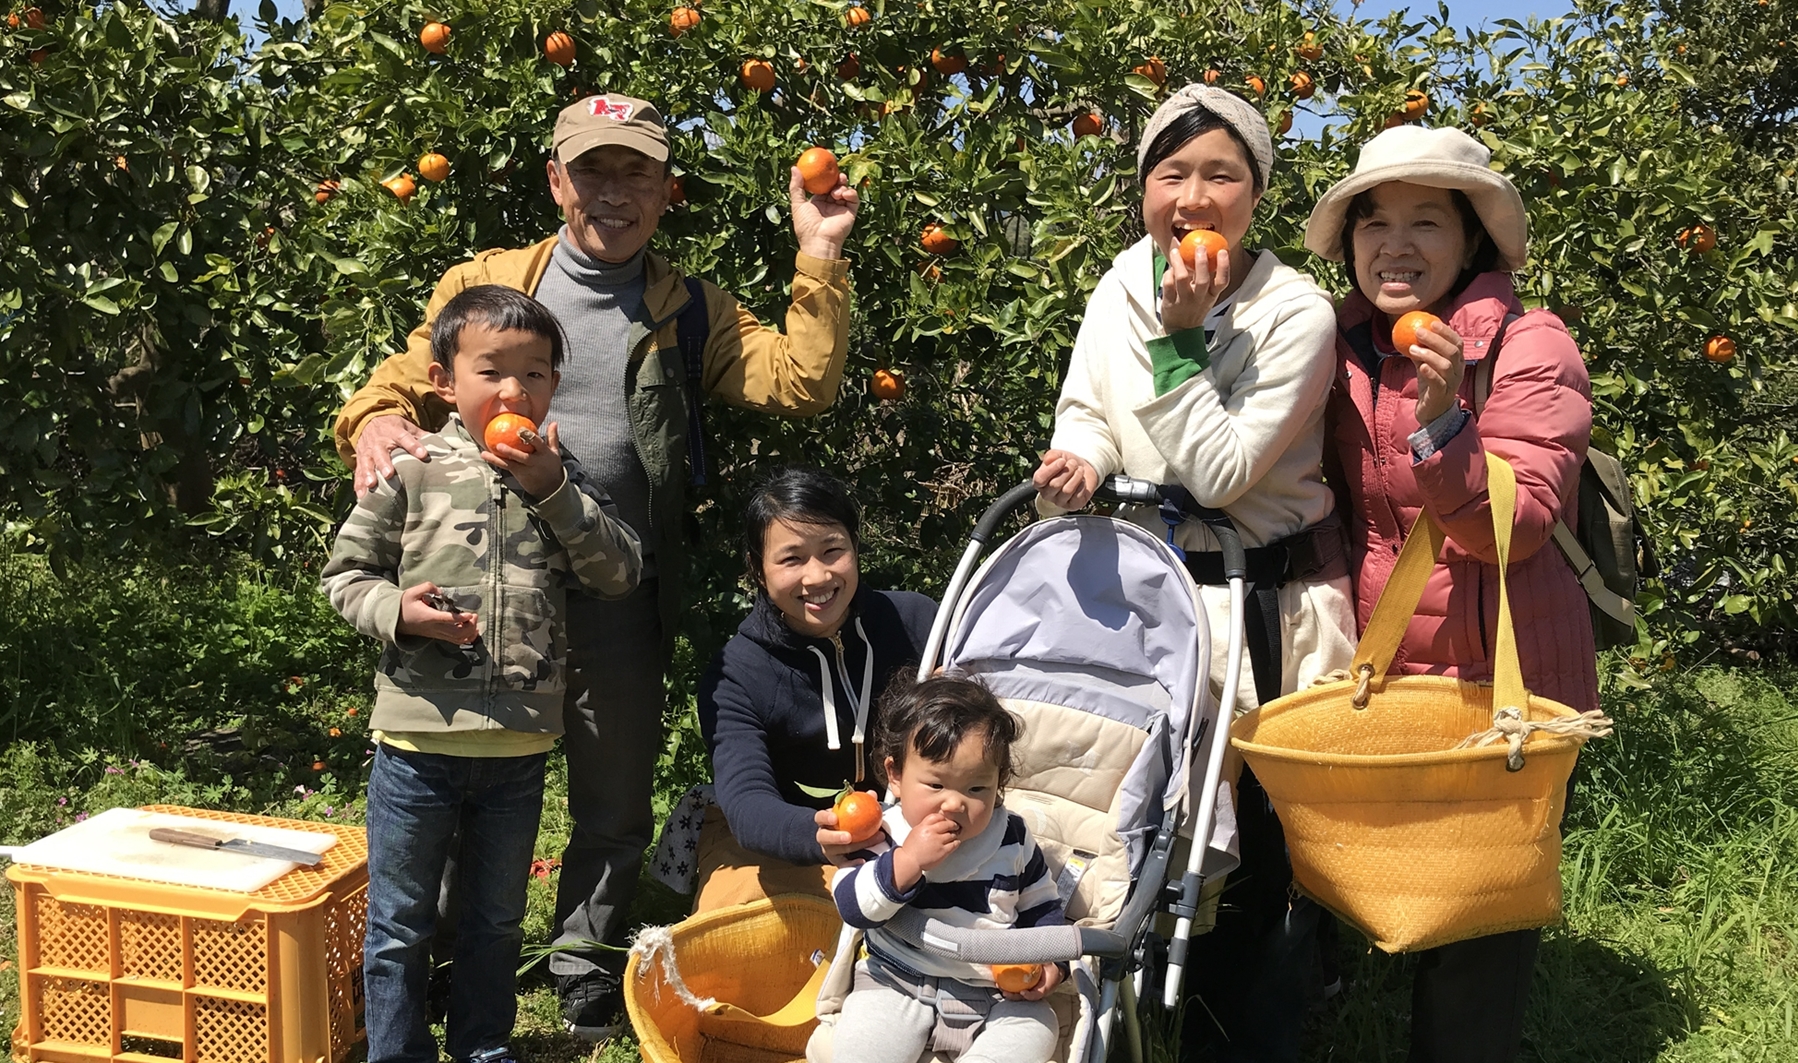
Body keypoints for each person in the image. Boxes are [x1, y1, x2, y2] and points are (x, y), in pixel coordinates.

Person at [330, 93, 859, 1036]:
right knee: (461, 761)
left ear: (665, 191)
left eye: (636, 173)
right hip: (493, 582)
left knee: (612, 791)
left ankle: (583, 952)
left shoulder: (688, 308)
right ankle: (440, 951)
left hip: (619, 579)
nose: (613, 193)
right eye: (592, 171)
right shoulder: (491, 280)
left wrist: (818, 252)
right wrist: (372, 420)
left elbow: (802, 382)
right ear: (555, 180)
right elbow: (406, 376)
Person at [1031, 83, 1355, 1060]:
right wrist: (1080, 459)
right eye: (1172, 173)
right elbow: (1088, 405)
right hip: (1150, 599)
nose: (1195, 196)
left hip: (1265, 610)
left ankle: (1249, 1035)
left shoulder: (1294, 313)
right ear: (1144, 188)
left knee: (1264, 848)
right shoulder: (1120, 285)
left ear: (1255, 193)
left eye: (1222, 174)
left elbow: (1220, 474)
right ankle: (1142, 1023)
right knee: (1151, 824)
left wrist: (1180, 340)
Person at [1305, 123, 1596, 1062]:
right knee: (1399, 879)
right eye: (1374, 222)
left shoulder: (1528, 344)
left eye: (1426, 222)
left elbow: (1518, 526)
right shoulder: (1340, 344)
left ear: (1470, 240)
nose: (1396, 245)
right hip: (1387, 664)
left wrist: (1442, 427)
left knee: (1478, 923)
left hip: (1500, 669)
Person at [320, 286, 643, 1063]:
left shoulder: (559, 477)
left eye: (534, 373)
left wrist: (553, 489)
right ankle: (397, 1052)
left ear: (554, 385)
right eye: (492, 370)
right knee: (399, 921)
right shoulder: (412, 468)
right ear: (443, 381)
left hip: (517, 749)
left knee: (496, 920)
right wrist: (401, 612)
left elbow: (619, 571)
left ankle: (482, 1046)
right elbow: (345, 577)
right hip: (417, 742)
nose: (513, 390)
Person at [687, 465, 936, 911]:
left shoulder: (918, 623)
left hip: (921, 830)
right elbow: (746, 801)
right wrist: (816, 834)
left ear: (855, 547)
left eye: (832, 550)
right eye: (792, 559)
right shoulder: (736, 674)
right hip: (799, 849)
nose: (817, 577)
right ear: (758, 570)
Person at [825, 673, 1065, 1063]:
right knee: (862, 1046)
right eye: (936, 786)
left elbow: (1043, 911)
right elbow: (854, 907)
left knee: (1038, 1027)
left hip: (993, 993)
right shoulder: (885, 832)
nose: (954, 804)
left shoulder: (1012, 838)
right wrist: (908, 861)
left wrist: (1053, 964)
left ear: (999, 784)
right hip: (896, 980)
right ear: (896, 776)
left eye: (976, 789)